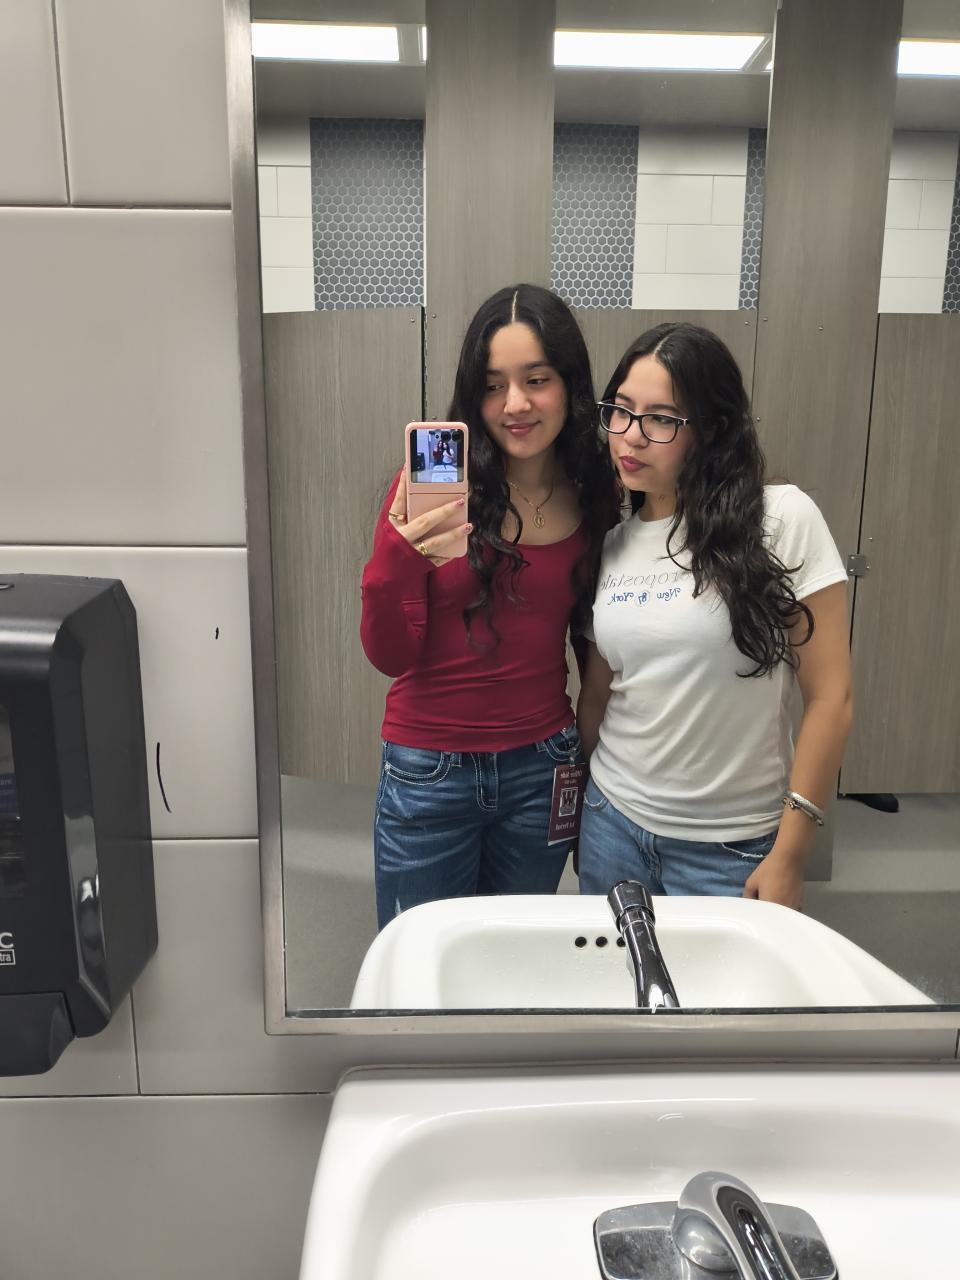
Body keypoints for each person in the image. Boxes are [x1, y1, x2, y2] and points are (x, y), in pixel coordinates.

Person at [360, 284, 617, 930]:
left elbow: (596, 650)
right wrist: (395, 558)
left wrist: (594, 776)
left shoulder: (594, 492)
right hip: (430, 769)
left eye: (537, 380)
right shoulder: (434, 486)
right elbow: (389, 655)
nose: (516, 404)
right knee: (420, 967)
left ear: (570, 384)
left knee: (513, 963)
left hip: (543, 769)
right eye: (494, 385)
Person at [576, 322, 853, 911]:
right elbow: (599, 695)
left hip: (732, 845)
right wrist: (582, 808)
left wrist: (791, 852)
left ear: (713, 429)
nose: (630, 436)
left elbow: (832, 698)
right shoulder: (613, 543)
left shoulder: (781, 518)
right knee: (613, 974)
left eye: (660, 419)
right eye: (620, 411)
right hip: (612, 823)